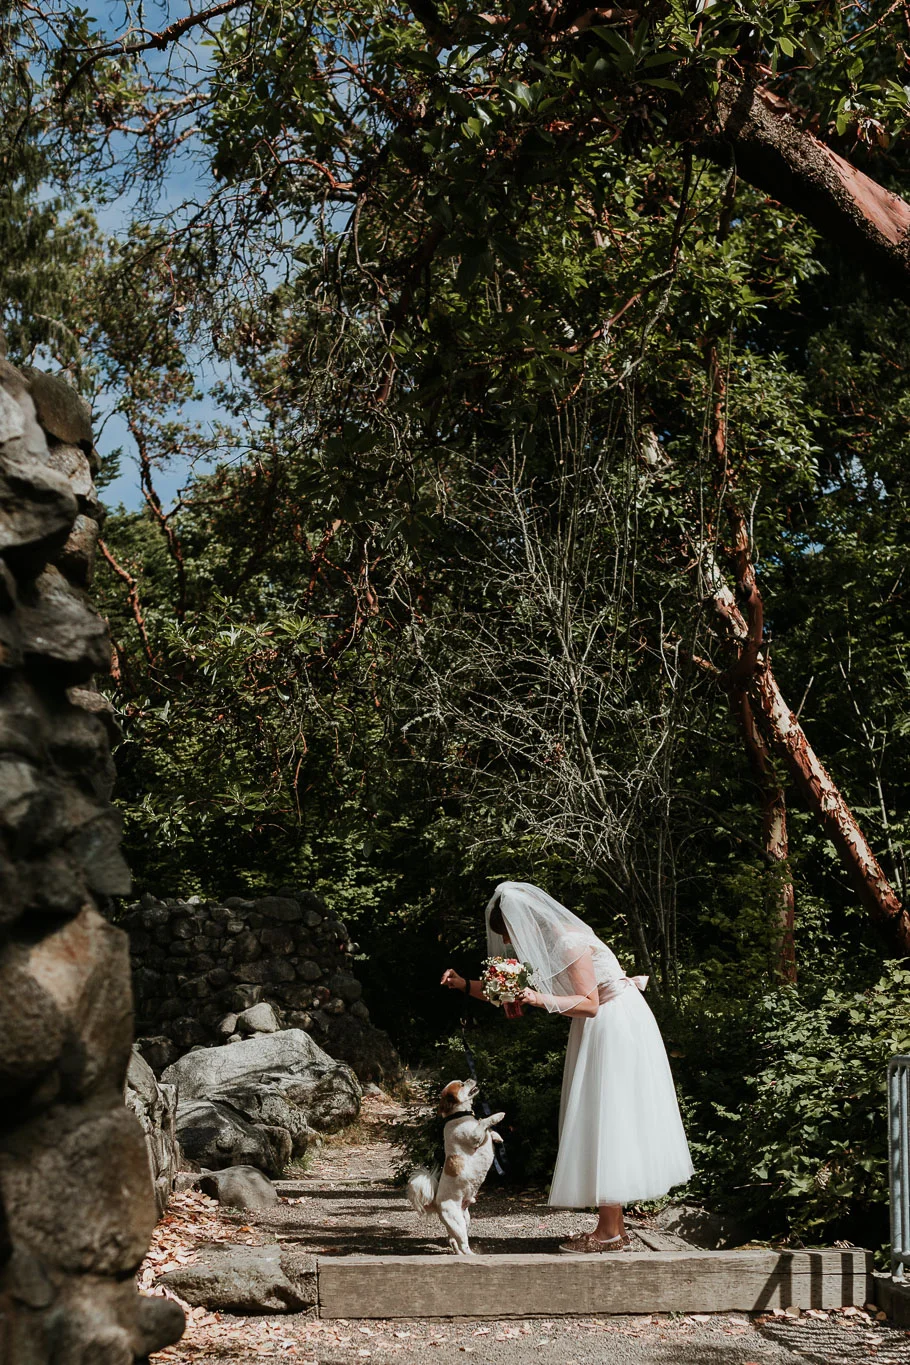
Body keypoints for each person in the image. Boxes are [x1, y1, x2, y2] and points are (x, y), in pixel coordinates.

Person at [441, 880, 693, 1252]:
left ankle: (608, 1232)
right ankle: (614, 1230)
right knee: (604, 1119)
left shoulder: (568, 943)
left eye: (508, 933)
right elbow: (504, 991)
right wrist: (464, 985)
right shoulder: (549, 947)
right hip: (601, 1025)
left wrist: (537, 998)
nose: (508, 942)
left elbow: (589, 1004)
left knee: (606, 1118)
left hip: (612, 1025)